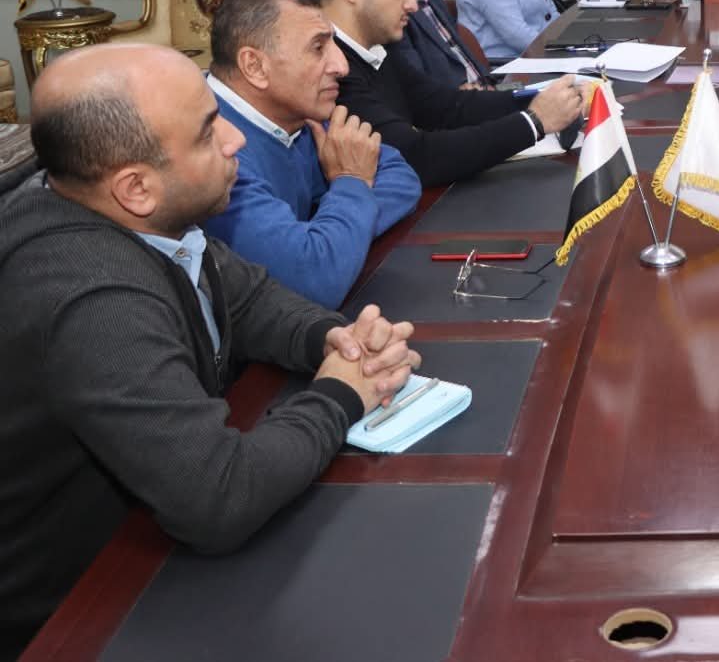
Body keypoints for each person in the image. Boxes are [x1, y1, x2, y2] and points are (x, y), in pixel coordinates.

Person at [0, 44, 420, 659]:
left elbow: (247, 299)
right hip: (77, 613)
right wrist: (340, 394)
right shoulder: (91, 298)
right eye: (207, 132)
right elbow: (219, 498)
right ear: (135, 187)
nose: (235, 140)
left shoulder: (133, 211)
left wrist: (334, 339)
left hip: (147, 546)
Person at [310, 0, 584, 188]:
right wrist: (534, 122)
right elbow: (417, 157)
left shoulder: (374, 49)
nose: (411, 4)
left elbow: (445, 106)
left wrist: (544, 100)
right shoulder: (329, 71)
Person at [203, 0, 421, 309]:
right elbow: (317, 280)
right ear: (255, 66)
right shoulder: (213, 154)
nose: (341, 66)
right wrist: (351, 182)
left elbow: (401, 176)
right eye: (318, 48)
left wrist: (331, 235)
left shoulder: (298, 114)